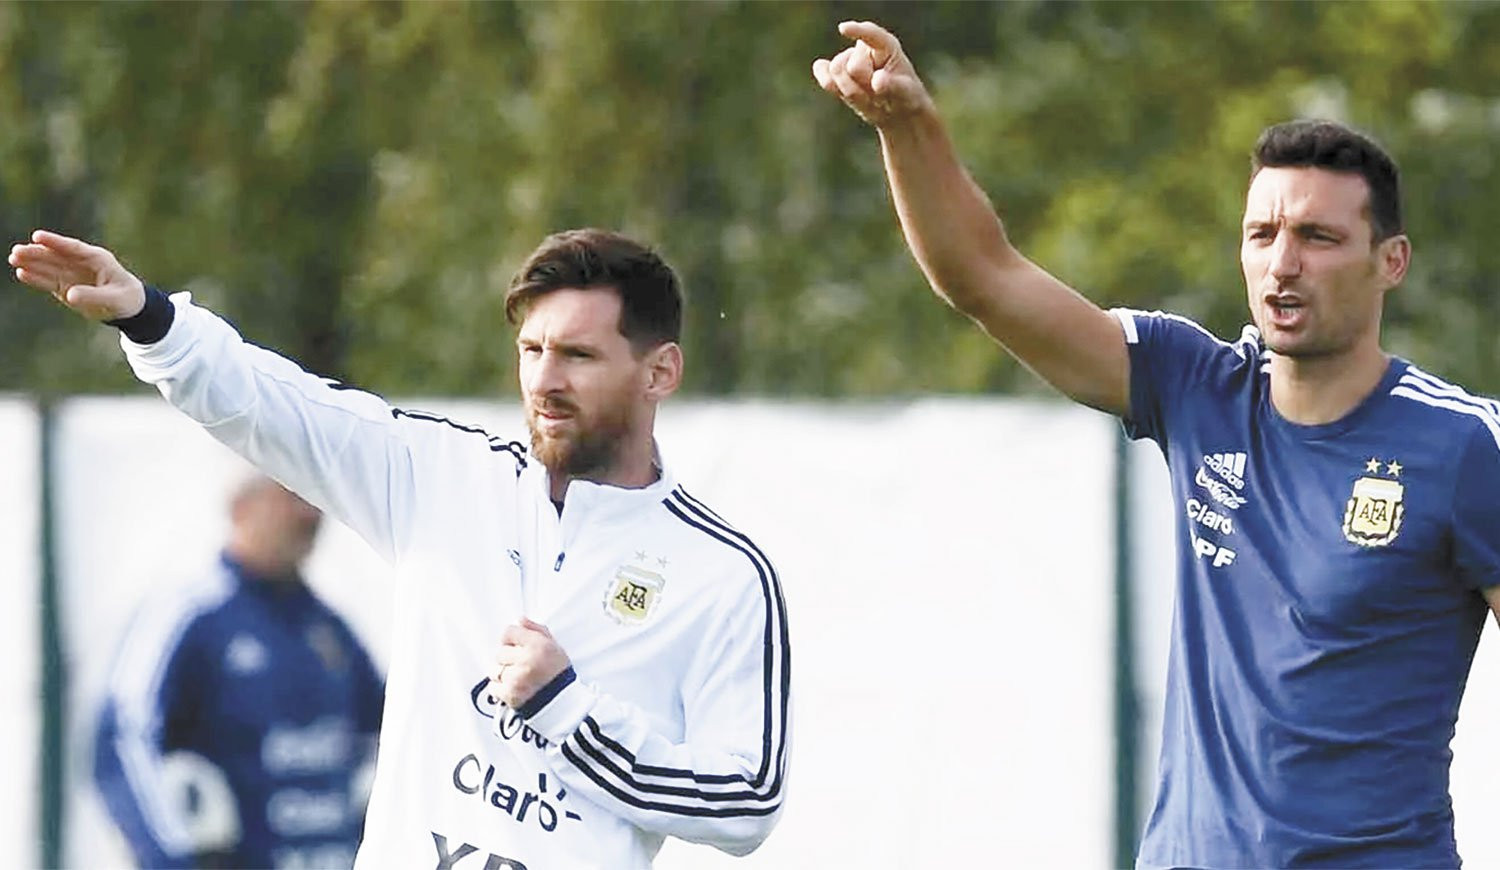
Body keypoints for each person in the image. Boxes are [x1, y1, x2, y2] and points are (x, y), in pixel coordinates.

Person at [815, 20, 1500, 870]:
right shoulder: (1195, 386)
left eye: (1319, 238)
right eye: (1262, 235)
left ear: (1390, 262)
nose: (1283, 264)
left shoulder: (1463, 445)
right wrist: (907, 127)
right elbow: (983, 278)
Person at [12, 227, 791, 869]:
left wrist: (570, 712)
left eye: (579, 357)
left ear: (660, 372)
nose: (545, 381)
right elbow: (280, 407)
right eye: (531, 351)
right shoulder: (446, 478)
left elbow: (745, 802)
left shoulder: (722, 575)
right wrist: (149, 318)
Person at [94, 474, 384, 869]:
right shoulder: (191, 614)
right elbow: (124, 741)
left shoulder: (328, 626)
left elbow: (389, 734)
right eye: (291, 497)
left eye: (317, 499)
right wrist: (176, 857)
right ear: (241, 508)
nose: (310, 514)